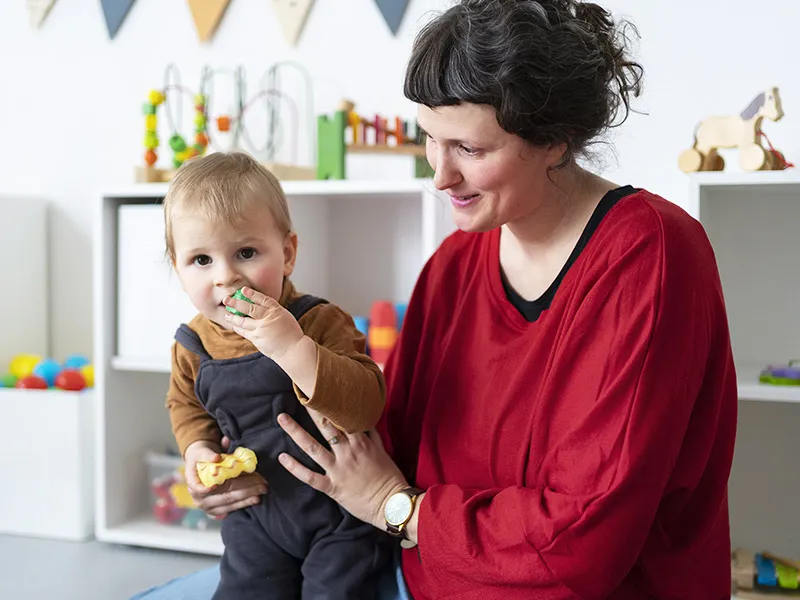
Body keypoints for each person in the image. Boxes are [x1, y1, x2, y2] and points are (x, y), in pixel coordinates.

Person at [132, 1, 738, 599]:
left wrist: (396, 508)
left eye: (469, 150)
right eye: (430, 139)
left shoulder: (651, 254)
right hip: (414, 571)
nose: (439, 176)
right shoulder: (453, 266)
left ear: (555, 140)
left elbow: (579, 546)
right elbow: (383, 439)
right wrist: (228, 470)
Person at [158, 151, 391, 599]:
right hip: (257, 513)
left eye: (246, 252)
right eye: (201, 260)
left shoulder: (321, 321)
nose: (226, 277)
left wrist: (292, 348)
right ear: (179, 271)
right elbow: (185, 405)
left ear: (287, 253)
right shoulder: (193, 345)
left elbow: (366, 407)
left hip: (340, 512)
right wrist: (198, 452)